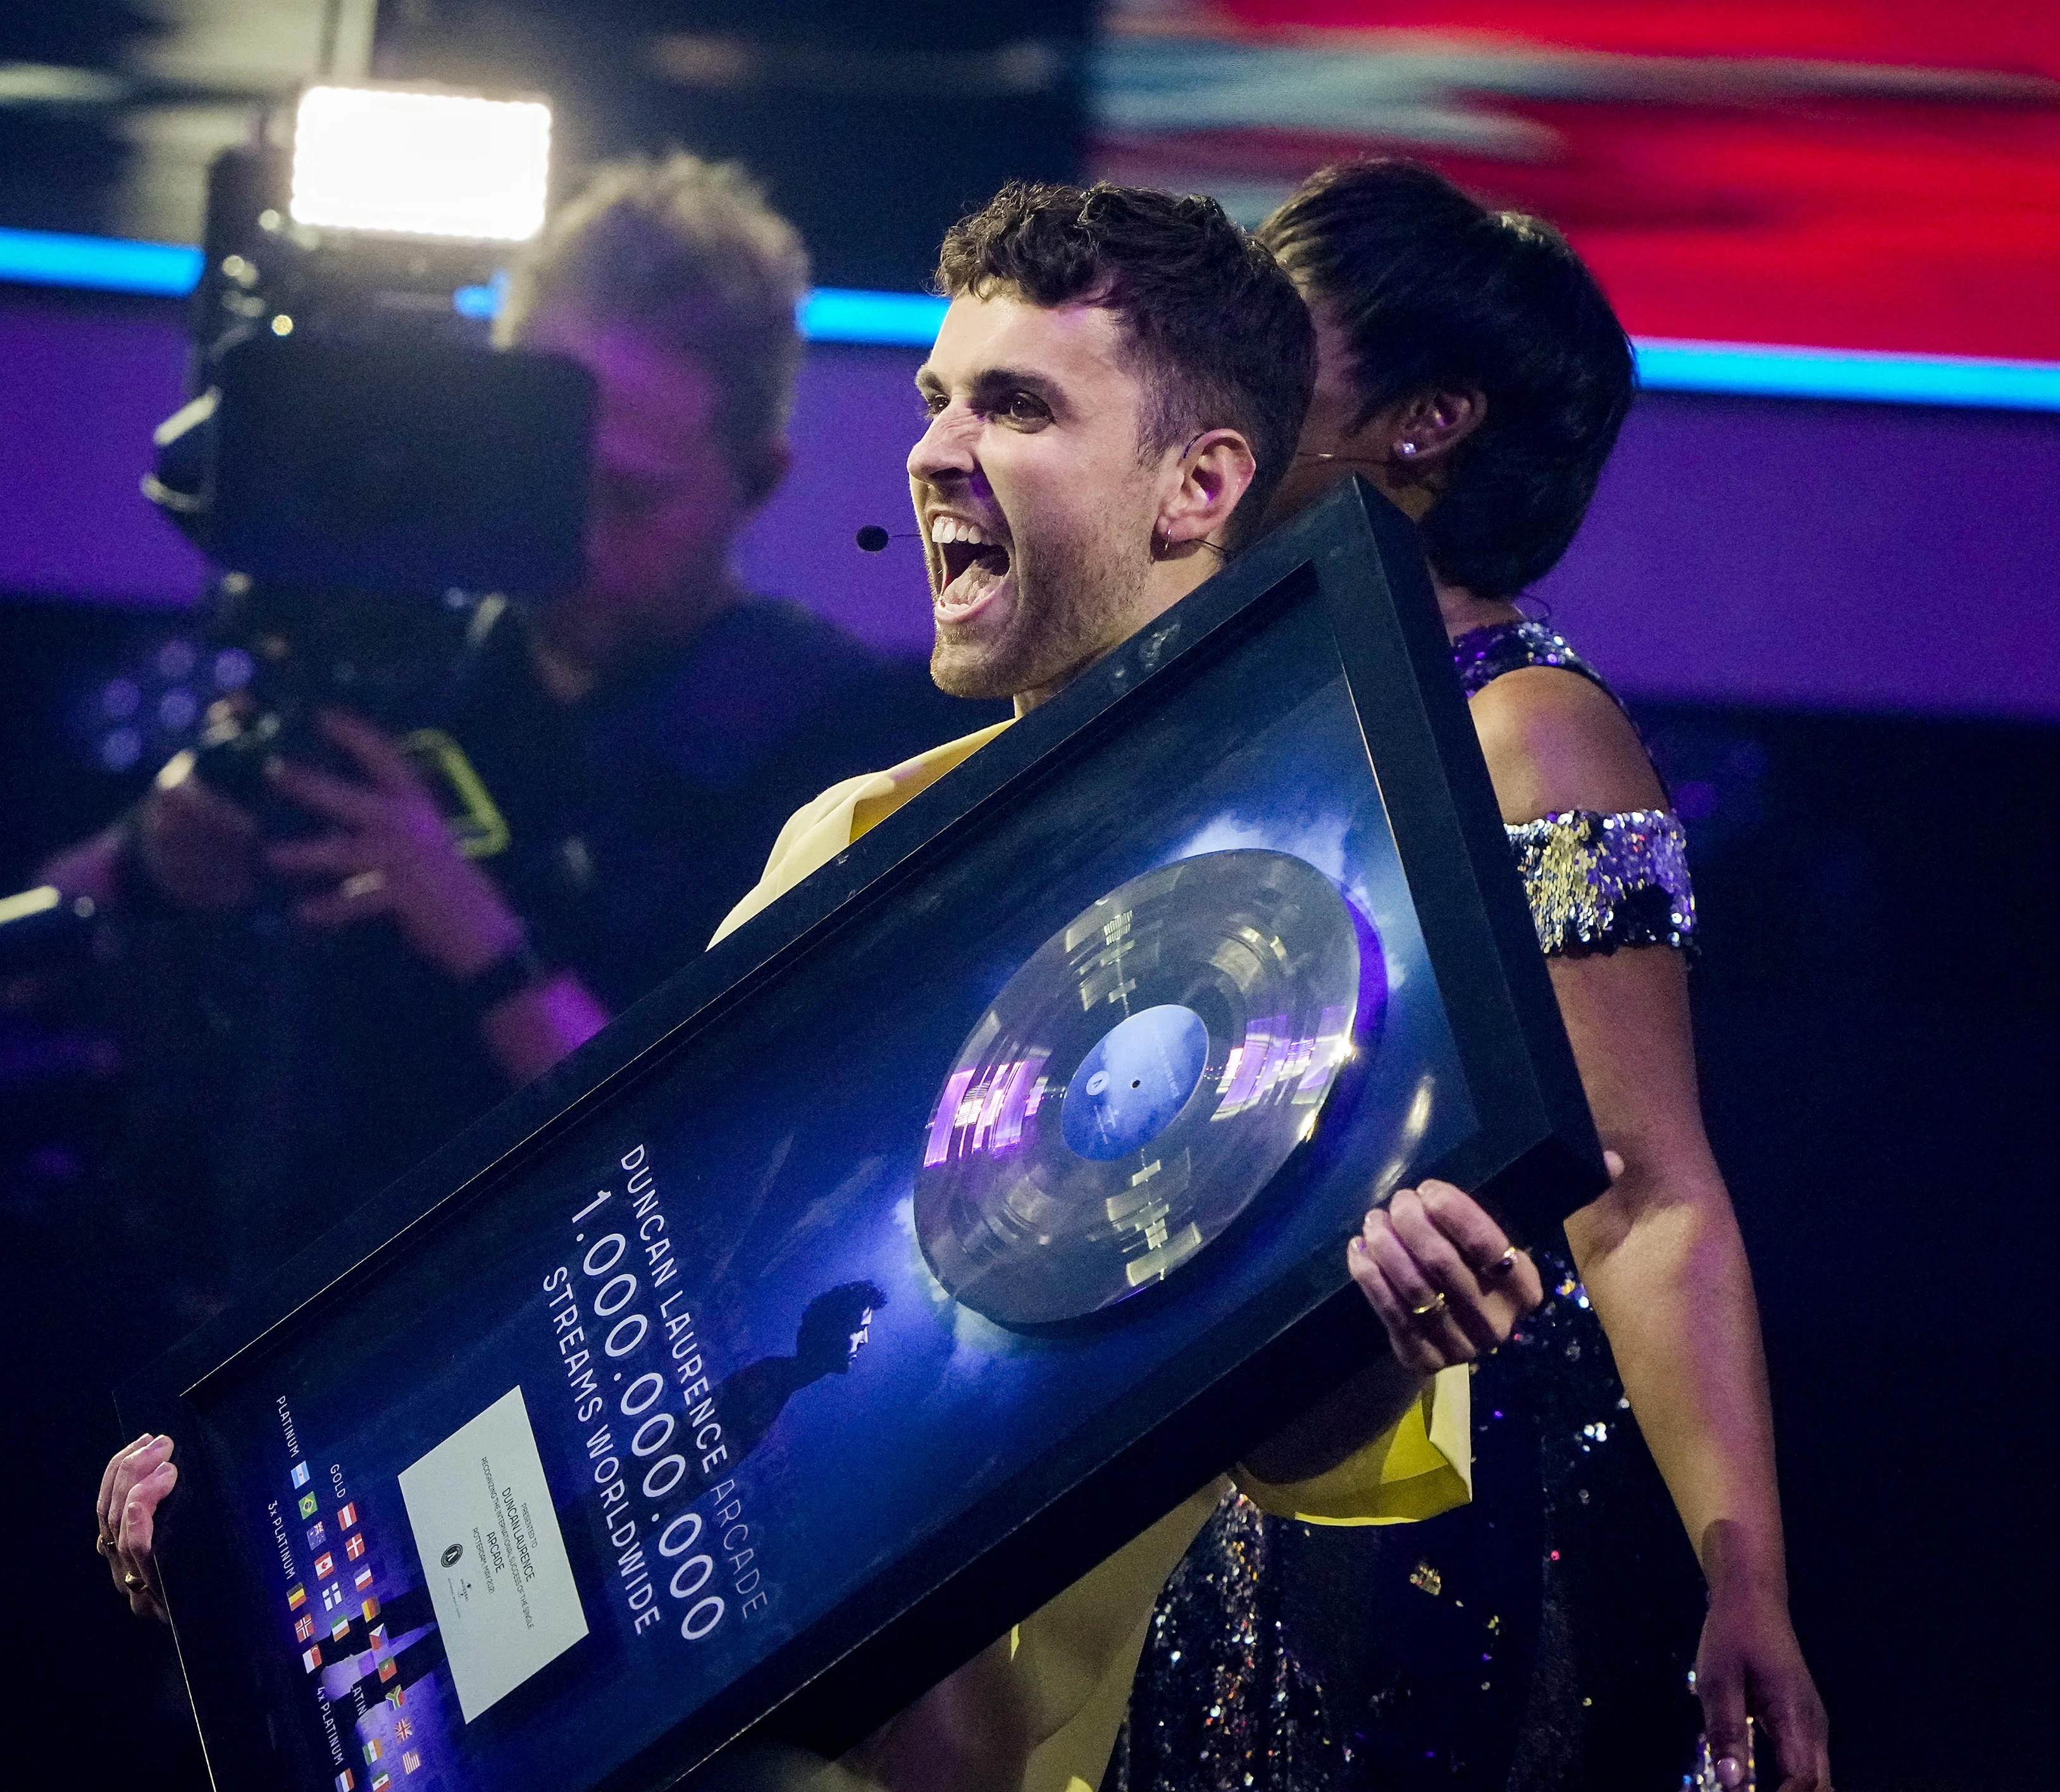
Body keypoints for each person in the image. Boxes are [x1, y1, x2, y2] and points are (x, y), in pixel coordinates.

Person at [96, 182, 1554, 1789]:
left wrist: (1387, 1323)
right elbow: (602, 1295)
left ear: (1201, 483)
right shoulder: (849, 835)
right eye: (938, 397)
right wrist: (265, 1531)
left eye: (1016, 407)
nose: (936, 449)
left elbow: (1301, 1455)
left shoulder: (1346, 904)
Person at [1117, 161, 1830, 1792]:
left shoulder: (1527, 732)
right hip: (1230, 1434)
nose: (1224, 370)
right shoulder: (1241, 688)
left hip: (1434, 1474)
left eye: (1281, 335)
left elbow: (1645, 1191)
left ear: (1426, 420)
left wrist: (1748, 1577)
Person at [46, 152, 965, 1301]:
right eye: (545, 475)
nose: (579, 539)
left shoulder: (840, 752)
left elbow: (724, 1164)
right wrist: (159, 860)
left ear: (758, 478)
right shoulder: (395, 669)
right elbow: (54, 927)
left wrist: (481, 941)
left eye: (633, 496)